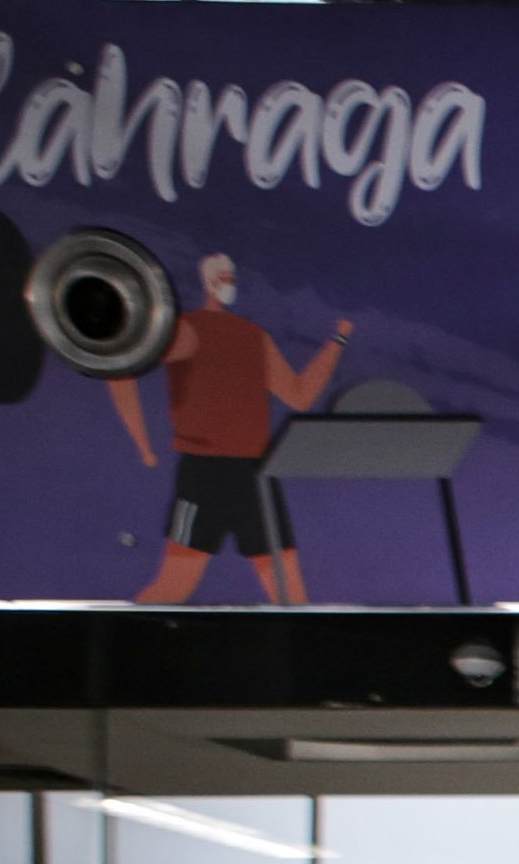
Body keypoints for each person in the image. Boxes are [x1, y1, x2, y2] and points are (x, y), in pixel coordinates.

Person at [109, 253, 352, 606]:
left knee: (291, 599)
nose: (228, 283)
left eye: (231, 276)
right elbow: (123, 365)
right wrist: (142, 443)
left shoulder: (253, 336)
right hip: (204, 474)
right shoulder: (187, 330)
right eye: (221, 276)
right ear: (207, 282)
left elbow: (299, 395)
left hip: (255, 476)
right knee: (173, 588)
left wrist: (338, 341)